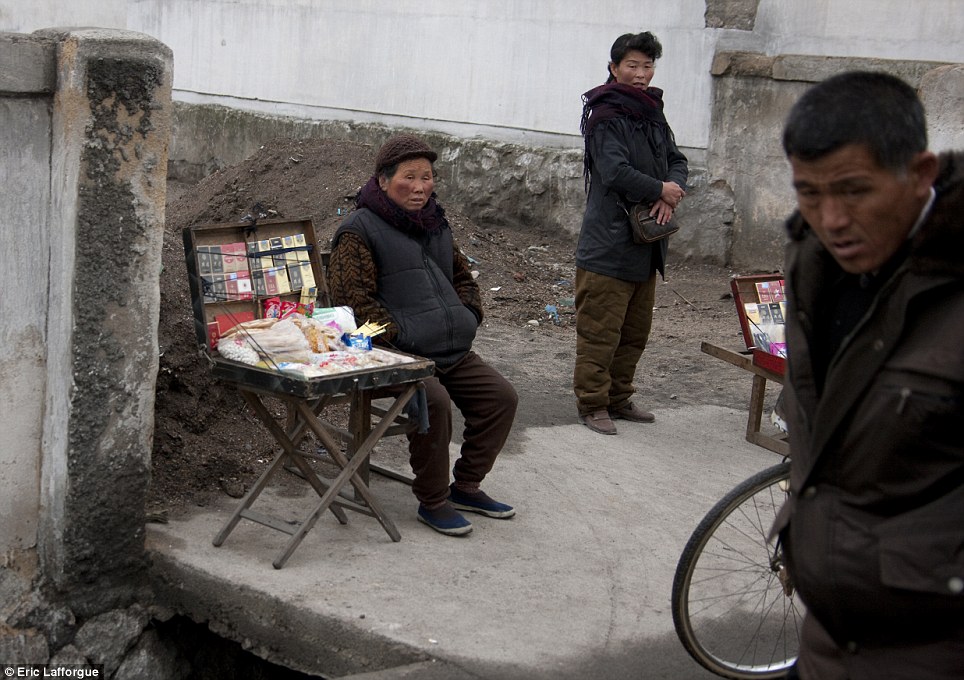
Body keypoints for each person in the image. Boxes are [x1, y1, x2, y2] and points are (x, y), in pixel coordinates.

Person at [773, 70, 964, 678]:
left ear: (921, 174)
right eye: (809, 193)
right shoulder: (811, 264)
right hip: (832, 637)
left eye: (854, 191)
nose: (832, 220)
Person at [327, 134, 518, 537]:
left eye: (427, 177)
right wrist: (402, 336)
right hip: (396, 354)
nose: (420, 186)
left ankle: (465, 487)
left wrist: (468, 314)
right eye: (409, 177)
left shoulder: (436, 223)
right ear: (382, 180)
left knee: (501, 398)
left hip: (450, 349)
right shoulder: (357, 231)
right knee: (435, 402)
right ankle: (432, 501)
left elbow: (464, 279)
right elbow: (353, 305)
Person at [574, 31, 688, 435]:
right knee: (600, 332)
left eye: (648, 66)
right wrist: (658, 189)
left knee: (634, 332)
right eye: (633, 66)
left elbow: (677, 159)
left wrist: (671, 192)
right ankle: (592, 403)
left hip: (646, 245)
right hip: (608, 244)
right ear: (614, 68)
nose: (641, 74)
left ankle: (619, 398)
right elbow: (614, 171)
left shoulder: (652, 112)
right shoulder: (605, 115)